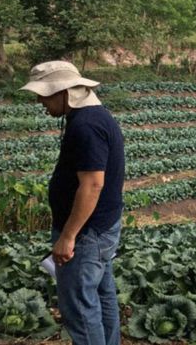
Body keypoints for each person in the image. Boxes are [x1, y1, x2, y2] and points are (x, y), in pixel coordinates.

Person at [20, 61, 125, 345]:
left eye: (44, 93)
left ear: (64, 91)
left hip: (87, 233)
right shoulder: (94, 117)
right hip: (101, 227)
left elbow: (92, 184)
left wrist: (68, 236)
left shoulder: (86, 126)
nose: (40, 100)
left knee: (79, 307)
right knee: (101, 296)